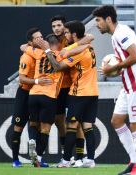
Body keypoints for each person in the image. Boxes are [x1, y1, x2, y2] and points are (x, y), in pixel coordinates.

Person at [92, 5, 136, 175]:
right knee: (117, 120)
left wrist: (113, 68)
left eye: (98, 20)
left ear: (108, 19)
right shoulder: (116, 36)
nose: (97, 24)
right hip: (128, 86)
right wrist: (114, 70)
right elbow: (125, 63)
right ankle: (134, 161)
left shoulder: (122, 33)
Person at [37, 20, 98, 168]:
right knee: (88, 126)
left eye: (67, 32)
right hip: (93, 92)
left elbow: (57, 67)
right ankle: (89, 160)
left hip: (78, 93)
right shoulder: (88, 47)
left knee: (71, 126)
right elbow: (89, 39)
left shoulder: (77, 53)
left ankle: (65, 160)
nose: (65, 34)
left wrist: (47, 51)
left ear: (74, 34)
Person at [11, 28, 52, 168]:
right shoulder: (27, 56)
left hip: (37, 94)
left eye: (41, 37)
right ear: (30, 42)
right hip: (24, 93)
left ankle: (37, 158)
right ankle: (15, 160)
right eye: (37, 38)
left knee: (40, 126)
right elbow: (21, 78)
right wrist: (36, 81)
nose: (40, 39)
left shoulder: (43, 54)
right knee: (18, 127)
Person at [51, 15, 85, 167]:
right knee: (59, 122)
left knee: (75, 123)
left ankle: (80, 157)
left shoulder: (70, 40)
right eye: (54, 26)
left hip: (71, 88)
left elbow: (89, 37)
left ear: (65, 28)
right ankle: (67, 155)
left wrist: (67, 49)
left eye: (59, 25)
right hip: (57, 89)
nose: (57, 28)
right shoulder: (50, 41)